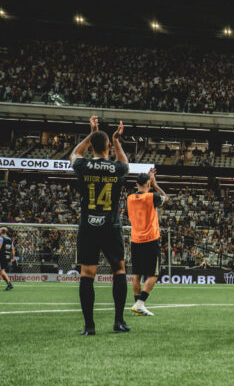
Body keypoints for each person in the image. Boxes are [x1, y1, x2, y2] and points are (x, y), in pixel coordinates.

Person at [70, 116, 130, 335]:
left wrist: (91, 133)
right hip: (111, 226)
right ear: (108, 147)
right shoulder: (116, 168)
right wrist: (117, 141)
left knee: (87, 274)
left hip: (88, 226)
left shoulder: (84, 166)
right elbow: (125, 164)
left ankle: (89, 326)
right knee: (119, 270)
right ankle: (119, 322)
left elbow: (74, 154)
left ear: (91, 147)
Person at [126, 168, 168, 316]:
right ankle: (140, 303)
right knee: (154, 274)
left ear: (137, 184)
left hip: (135, 239)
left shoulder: (130, 198)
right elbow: (166, 198)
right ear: (148, 184)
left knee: (137, 274)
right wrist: (155, 184)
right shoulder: (152, 197)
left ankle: (137, 306)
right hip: (150, 239)